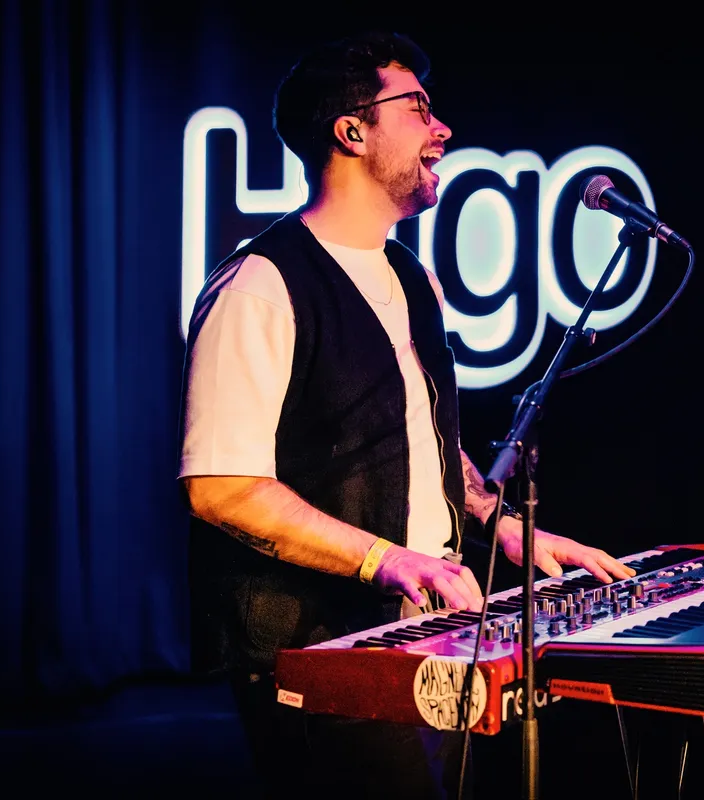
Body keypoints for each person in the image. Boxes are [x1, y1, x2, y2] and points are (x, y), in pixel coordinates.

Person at [176, 30, 636, 798]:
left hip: (420, 629)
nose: (442, 128)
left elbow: (421, 437)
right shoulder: (259, 285)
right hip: (319, 649)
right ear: (351, 132)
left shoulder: (409, 274)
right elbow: (220, 488)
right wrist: (388, 559)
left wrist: (501, 525)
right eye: (418, 108)